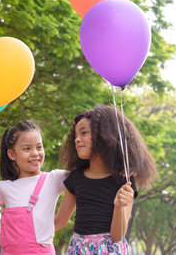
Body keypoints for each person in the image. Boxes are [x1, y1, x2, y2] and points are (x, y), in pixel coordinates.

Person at [55, 104, 157, 254]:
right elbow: (59, 221)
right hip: (78, 249)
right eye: (75, 136)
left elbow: (117, 236)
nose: (77, 139)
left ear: (104, 135)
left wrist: (119, 206)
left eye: (83, 133)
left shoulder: (124, 179)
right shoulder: (75, 178)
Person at [0, 121, 67, 254]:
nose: (35, 153)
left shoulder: (54, 179)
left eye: (39, 147)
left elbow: (87, 175)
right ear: (12, 154)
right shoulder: (5, 188)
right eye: (27, 148)